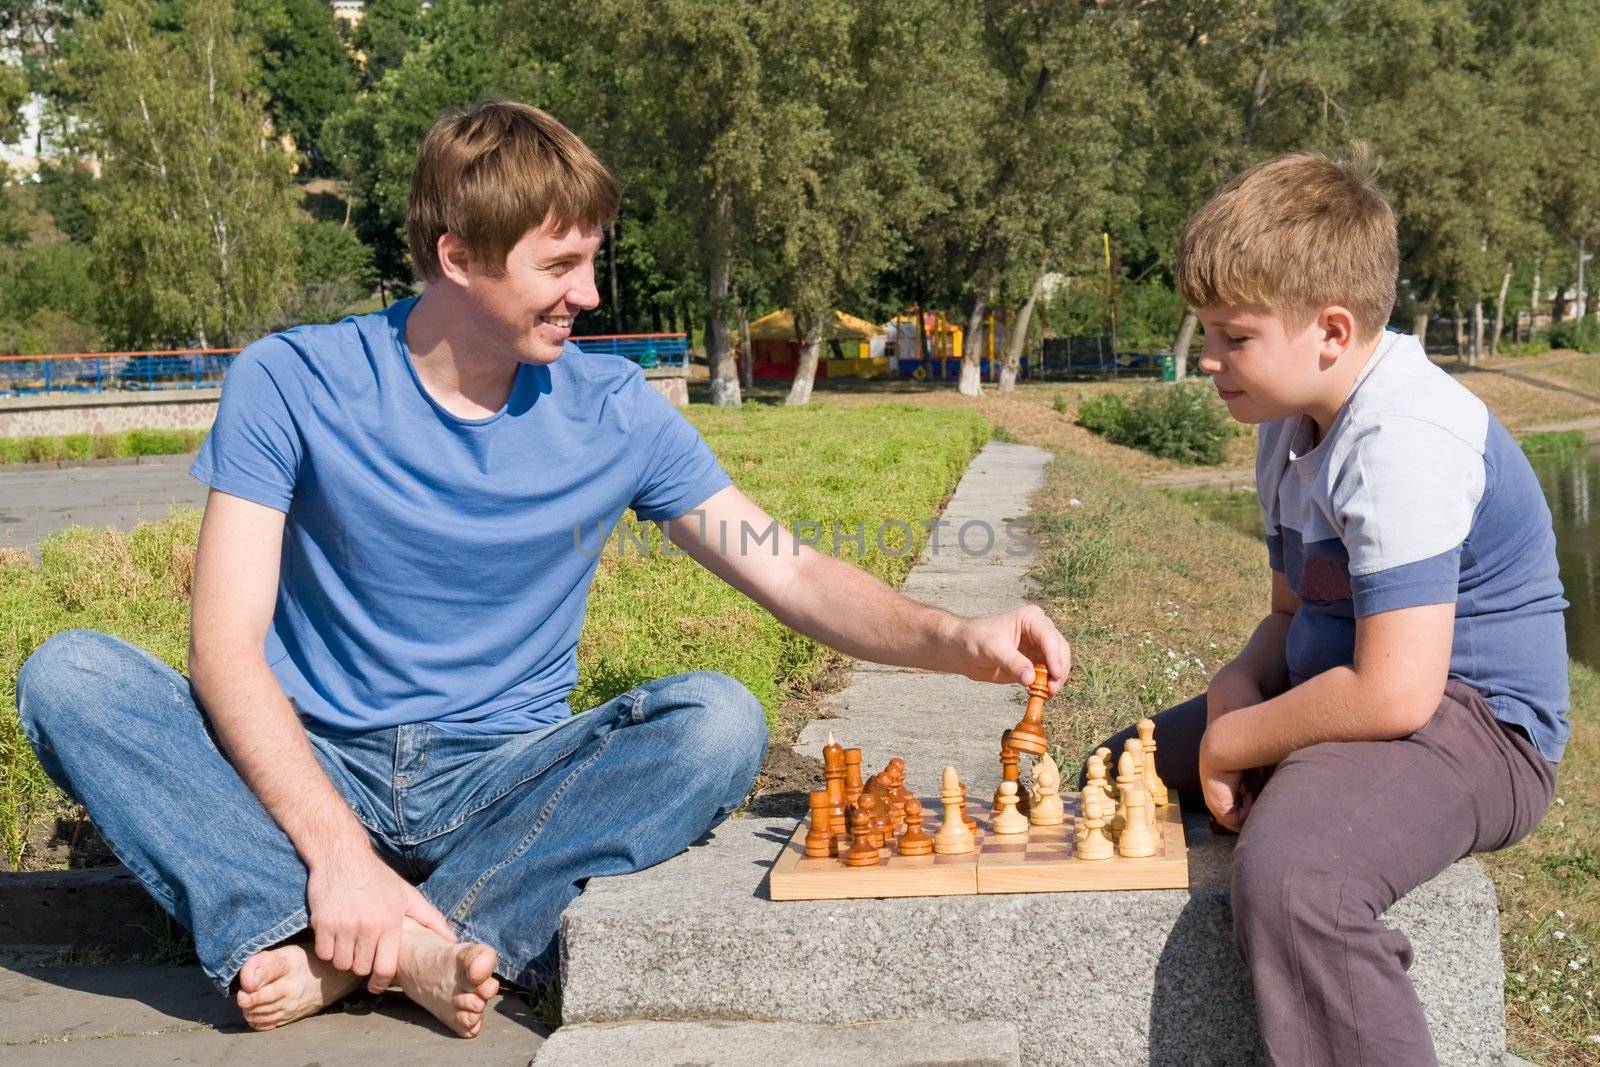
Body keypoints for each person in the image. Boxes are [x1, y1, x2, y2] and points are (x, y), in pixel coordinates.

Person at [15, 101, 1070, 1038]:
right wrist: (336, 851)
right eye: (559, 266)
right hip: (310, 755)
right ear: (458, 254)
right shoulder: (291, 380)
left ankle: (363, 951)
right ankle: (333, 911)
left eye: (591, 260)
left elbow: (785, 570)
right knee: (73, 677)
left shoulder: (614, 411)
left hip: (498, 776)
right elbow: (224, 646)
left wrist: (955, 636)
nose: (590, 293)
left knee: (716, 718)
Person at [1090, 149, 1567, 1065]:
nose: (1210, 362)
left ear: (1331, 331)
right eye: (1206, 332)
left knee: (1296, 876)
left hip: (1476, 724)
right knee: (1118, 770)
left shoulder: (1404, 437)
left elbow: (1397, 695)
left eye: (1233, 336)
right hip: (1364, 688)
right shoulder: (1286, 418)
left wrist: (1238, 741)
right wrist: (1238, 688)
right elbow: (1288, 617)